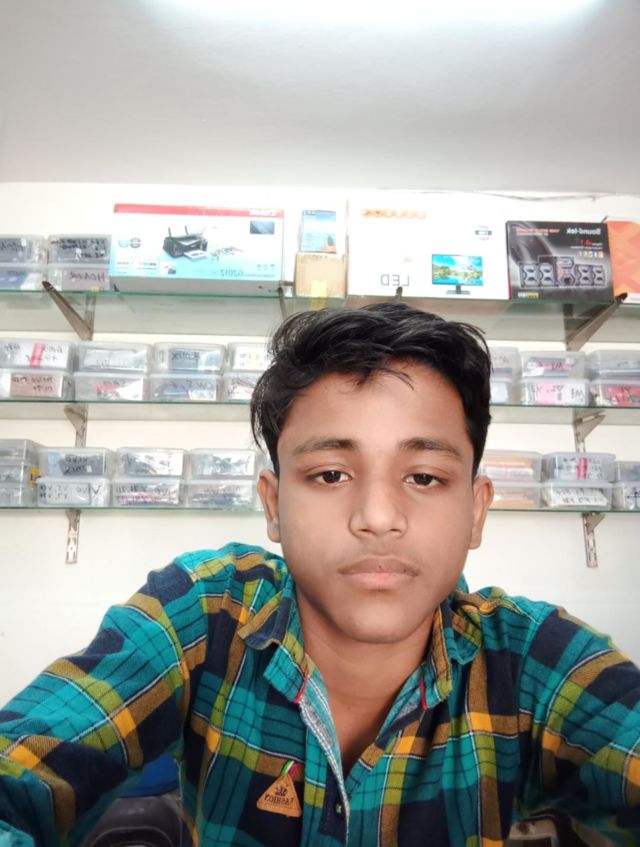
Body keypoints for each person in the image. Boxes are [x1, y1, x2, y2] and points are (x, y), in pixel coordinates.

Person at [1, 301, 639, 846]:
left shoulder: (530, 661)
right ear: (274, 504)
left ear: (475, 512)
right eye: (331, 474)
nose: (378, 517)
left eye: (424, 477)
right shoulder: (203, 614)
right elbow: (19, 770)